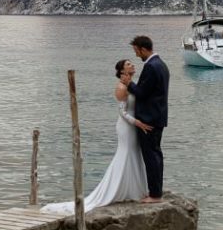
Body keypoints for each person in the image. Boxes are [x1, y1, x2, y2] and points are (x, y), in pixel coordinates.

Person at [41, 59, 152, 215]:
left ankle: (134, 190)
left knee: (135, 154)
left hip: (135, 125)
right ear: (122, 71)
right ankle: (117, 189)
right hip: (127, 125)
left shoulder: (132, 85)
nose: (132, 65)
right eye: (128, 64)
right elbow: (122, 111)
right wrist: (137, 123)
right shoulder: (121, 87)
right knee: (126, 153)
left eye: (132, 63)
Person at [120, 35, 170, 203]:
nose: (136, 55)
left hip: (149, 119)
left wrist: (129, 83)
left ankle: (155, 195)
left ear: (143, 49)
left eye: (136, 51)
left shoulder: (151, 67)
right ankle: (157, 191)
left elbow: (142, 93)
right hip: (158, 117)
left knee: (151, 157)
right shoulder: (161, 64)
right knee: (156, 155)